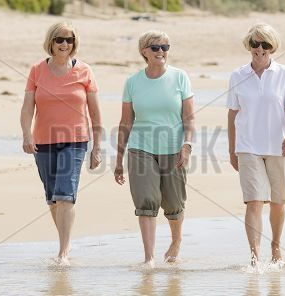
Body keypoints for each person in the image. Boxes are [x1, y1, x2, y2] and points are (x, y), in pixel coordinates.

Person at [20, 22, 102, 266]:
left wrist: (97, 146)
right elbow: (27, 109)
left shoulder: (85, 71)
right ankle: (65, 242)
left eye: (69, 39)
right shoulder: (37, 70)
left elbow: (95, 113)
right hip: (43, 140)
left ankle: (63, 252)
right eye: (60, 39)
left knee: (66, 195)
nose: (65, 44)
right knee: (53, 198)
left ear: (74, 43)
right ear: (51, 42)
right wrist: (26, 134)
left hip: (75, 140)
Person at [114, 30, 195, 268]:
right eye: (155, 47)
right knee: (147, 201)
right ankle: (149, 258)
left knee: (173, 203)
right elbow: (125, 122)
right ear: (144, 52)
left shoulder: (180, 77)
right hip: (141, 148)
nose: (161, 51)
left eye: (165, 47)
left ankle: (176, 240)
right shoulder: (132, 82)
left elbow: (189, 118)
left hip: (173, 148)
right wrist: (119, 160)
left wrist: (187, 145)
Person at [227, 23, 285, 266]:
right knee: (254, 200)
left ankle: (275, 247)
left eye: (265, 45)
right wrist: (232, 149)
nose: (259, 49)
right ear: (249, 46)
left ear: (273, 47)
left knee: (279, 203)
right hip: (247, 147)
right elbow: (232, 115)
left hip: (279, 147)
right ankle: (254, 256)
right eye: (255, 44)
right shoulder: (238, 75)